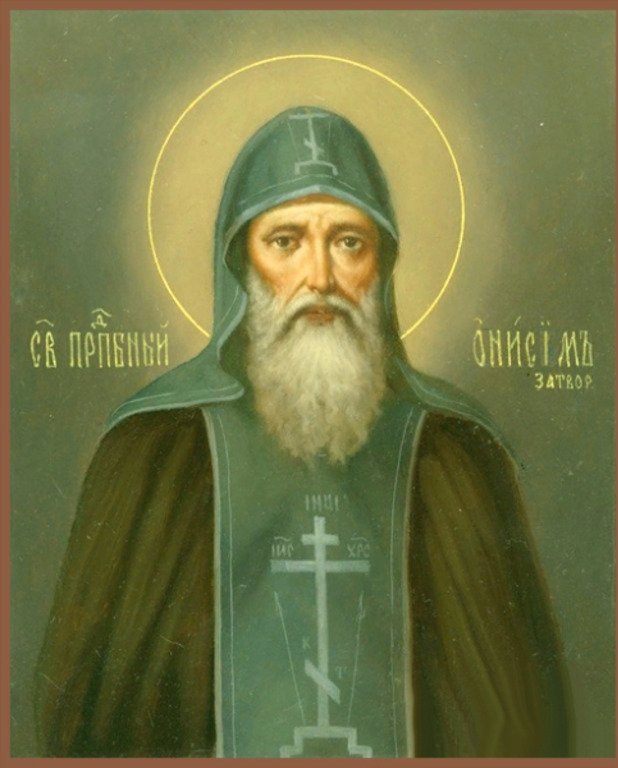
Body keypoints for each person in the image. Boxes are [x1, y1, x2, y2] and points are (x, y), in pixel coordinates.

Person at [36, 106, 572, 758]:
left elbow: (516, 720)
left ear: (382, 266)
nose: (320, 278)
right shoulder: (156, 447)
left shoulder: (451, 448)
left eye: (348, 242)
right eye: (286, 242)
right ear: (241, 263)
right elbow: (93, 715)